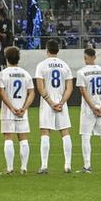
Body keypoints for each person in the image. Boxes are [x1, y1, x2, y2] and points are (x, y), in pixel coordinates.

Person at [34, 38, 75, 174]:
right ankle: (67, 165)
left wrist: (50, 103)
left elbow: (40, 86)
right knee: (65, 132)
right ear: (58, 50)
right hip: (61, 103)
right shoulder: (65, 66)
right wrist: (62, 102)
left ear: (47, 50)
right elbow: (70, 87)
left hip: (47, 103)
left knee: (45, 132)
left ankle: (44, 166)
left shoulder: (42, 65)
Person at [0, 46, 35, 174]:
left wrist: (12, 108)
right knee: (23, 138)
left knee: (8, 138)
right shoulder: (26, 74)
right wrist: (24, 108)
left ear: (7, 59)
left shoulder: (2, 74)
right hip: (22, 112)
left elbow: (1, 92)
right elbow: (31, 93)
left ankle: (10, 168)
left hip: (8, 112)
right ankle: (24, 168)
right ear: (18, 58)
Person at [76, 47, 101, 173]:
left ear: (85, 57)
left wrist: (93, 107)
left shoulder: (81, 72)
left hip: (88, 110)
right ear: (95, 57)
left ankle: (87, 166)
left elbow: (83, 91)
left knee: (86, 137)